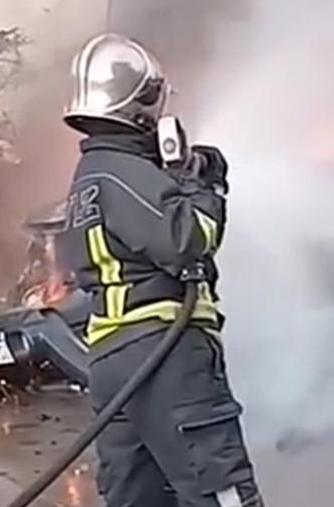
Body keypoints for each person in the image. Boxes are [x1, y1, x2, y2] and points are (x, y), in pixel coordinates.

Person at [56, 33, 264, 507]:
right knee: (220, 491)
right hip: (164, 354)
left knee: (139, 497)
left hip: (113, 363)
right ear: (143, 103)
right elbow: (187, 239)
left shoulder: (89, 178)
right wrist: (204, 185)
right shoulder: (122, 171)